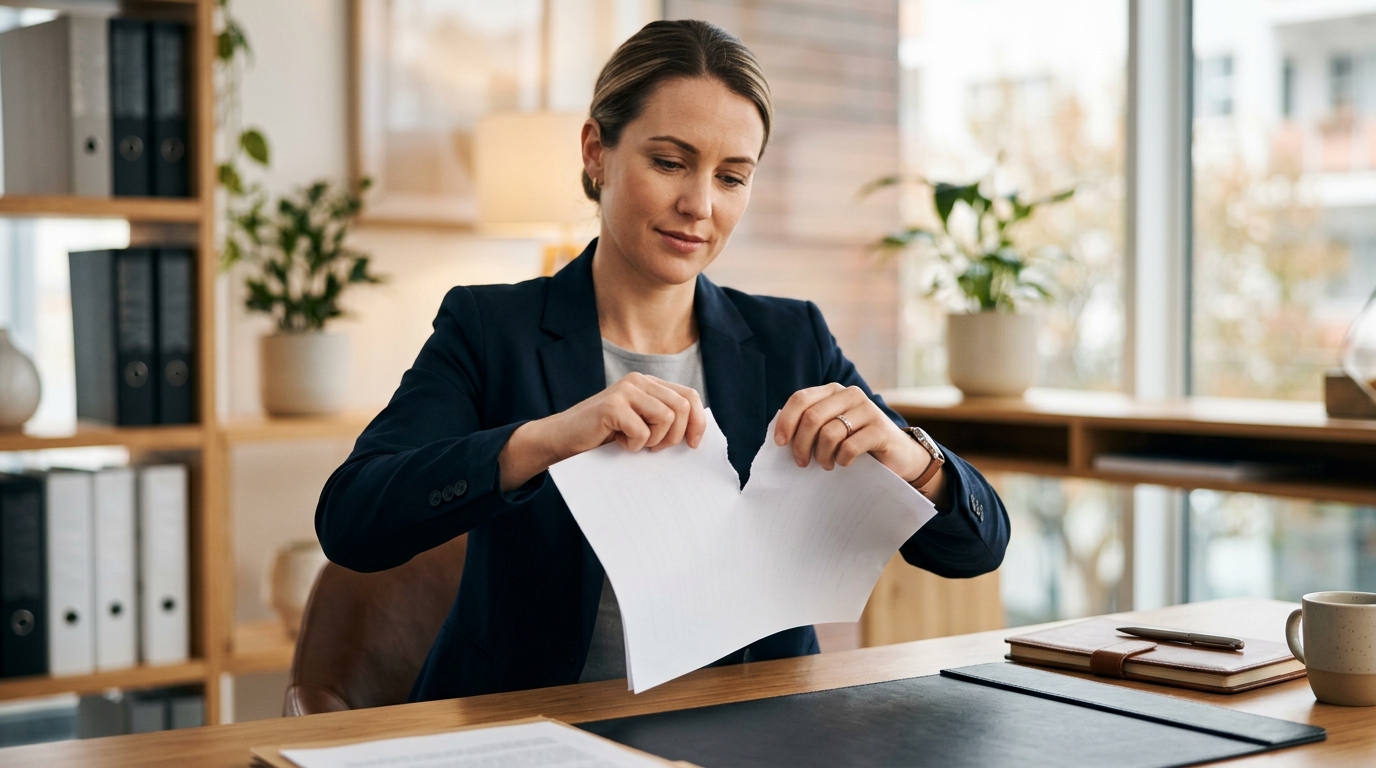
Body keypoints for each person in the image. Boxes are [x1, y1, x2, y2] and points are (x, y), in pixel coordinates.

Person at [315, 19, 1009, 703]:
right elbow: (352, 520)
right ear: (597, 152)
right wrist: (545, 439)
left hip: (754, 734)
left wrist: (911, 457)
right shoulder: (490, 327)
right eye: (670, 162)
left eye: (732, 177)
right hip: (543, 729)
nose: (698, 205)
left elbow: (977, 549)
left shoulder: (791, 338)